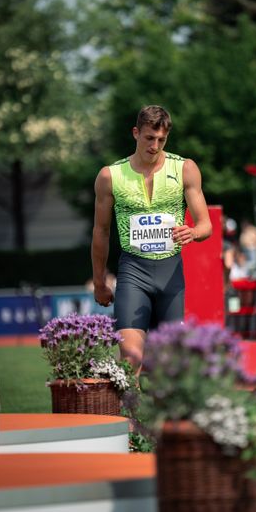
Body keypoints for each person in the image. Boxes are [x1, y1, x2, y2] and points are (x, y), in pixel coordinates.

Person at [91, 105, 212, 374]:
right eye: (149, 138)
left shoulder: (185, 169)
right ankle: (131, 417)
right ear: (136, 133)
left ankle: (163, 416)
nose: (155, 145)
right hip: (134, 271)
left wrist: (192, 232)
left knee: (169, 365)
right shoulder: (110, 176)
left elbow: (206, 225)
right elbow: (101, 232)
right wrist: (99, 282)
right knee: (131, 358)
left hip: (170, 274)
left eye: (161, 140)